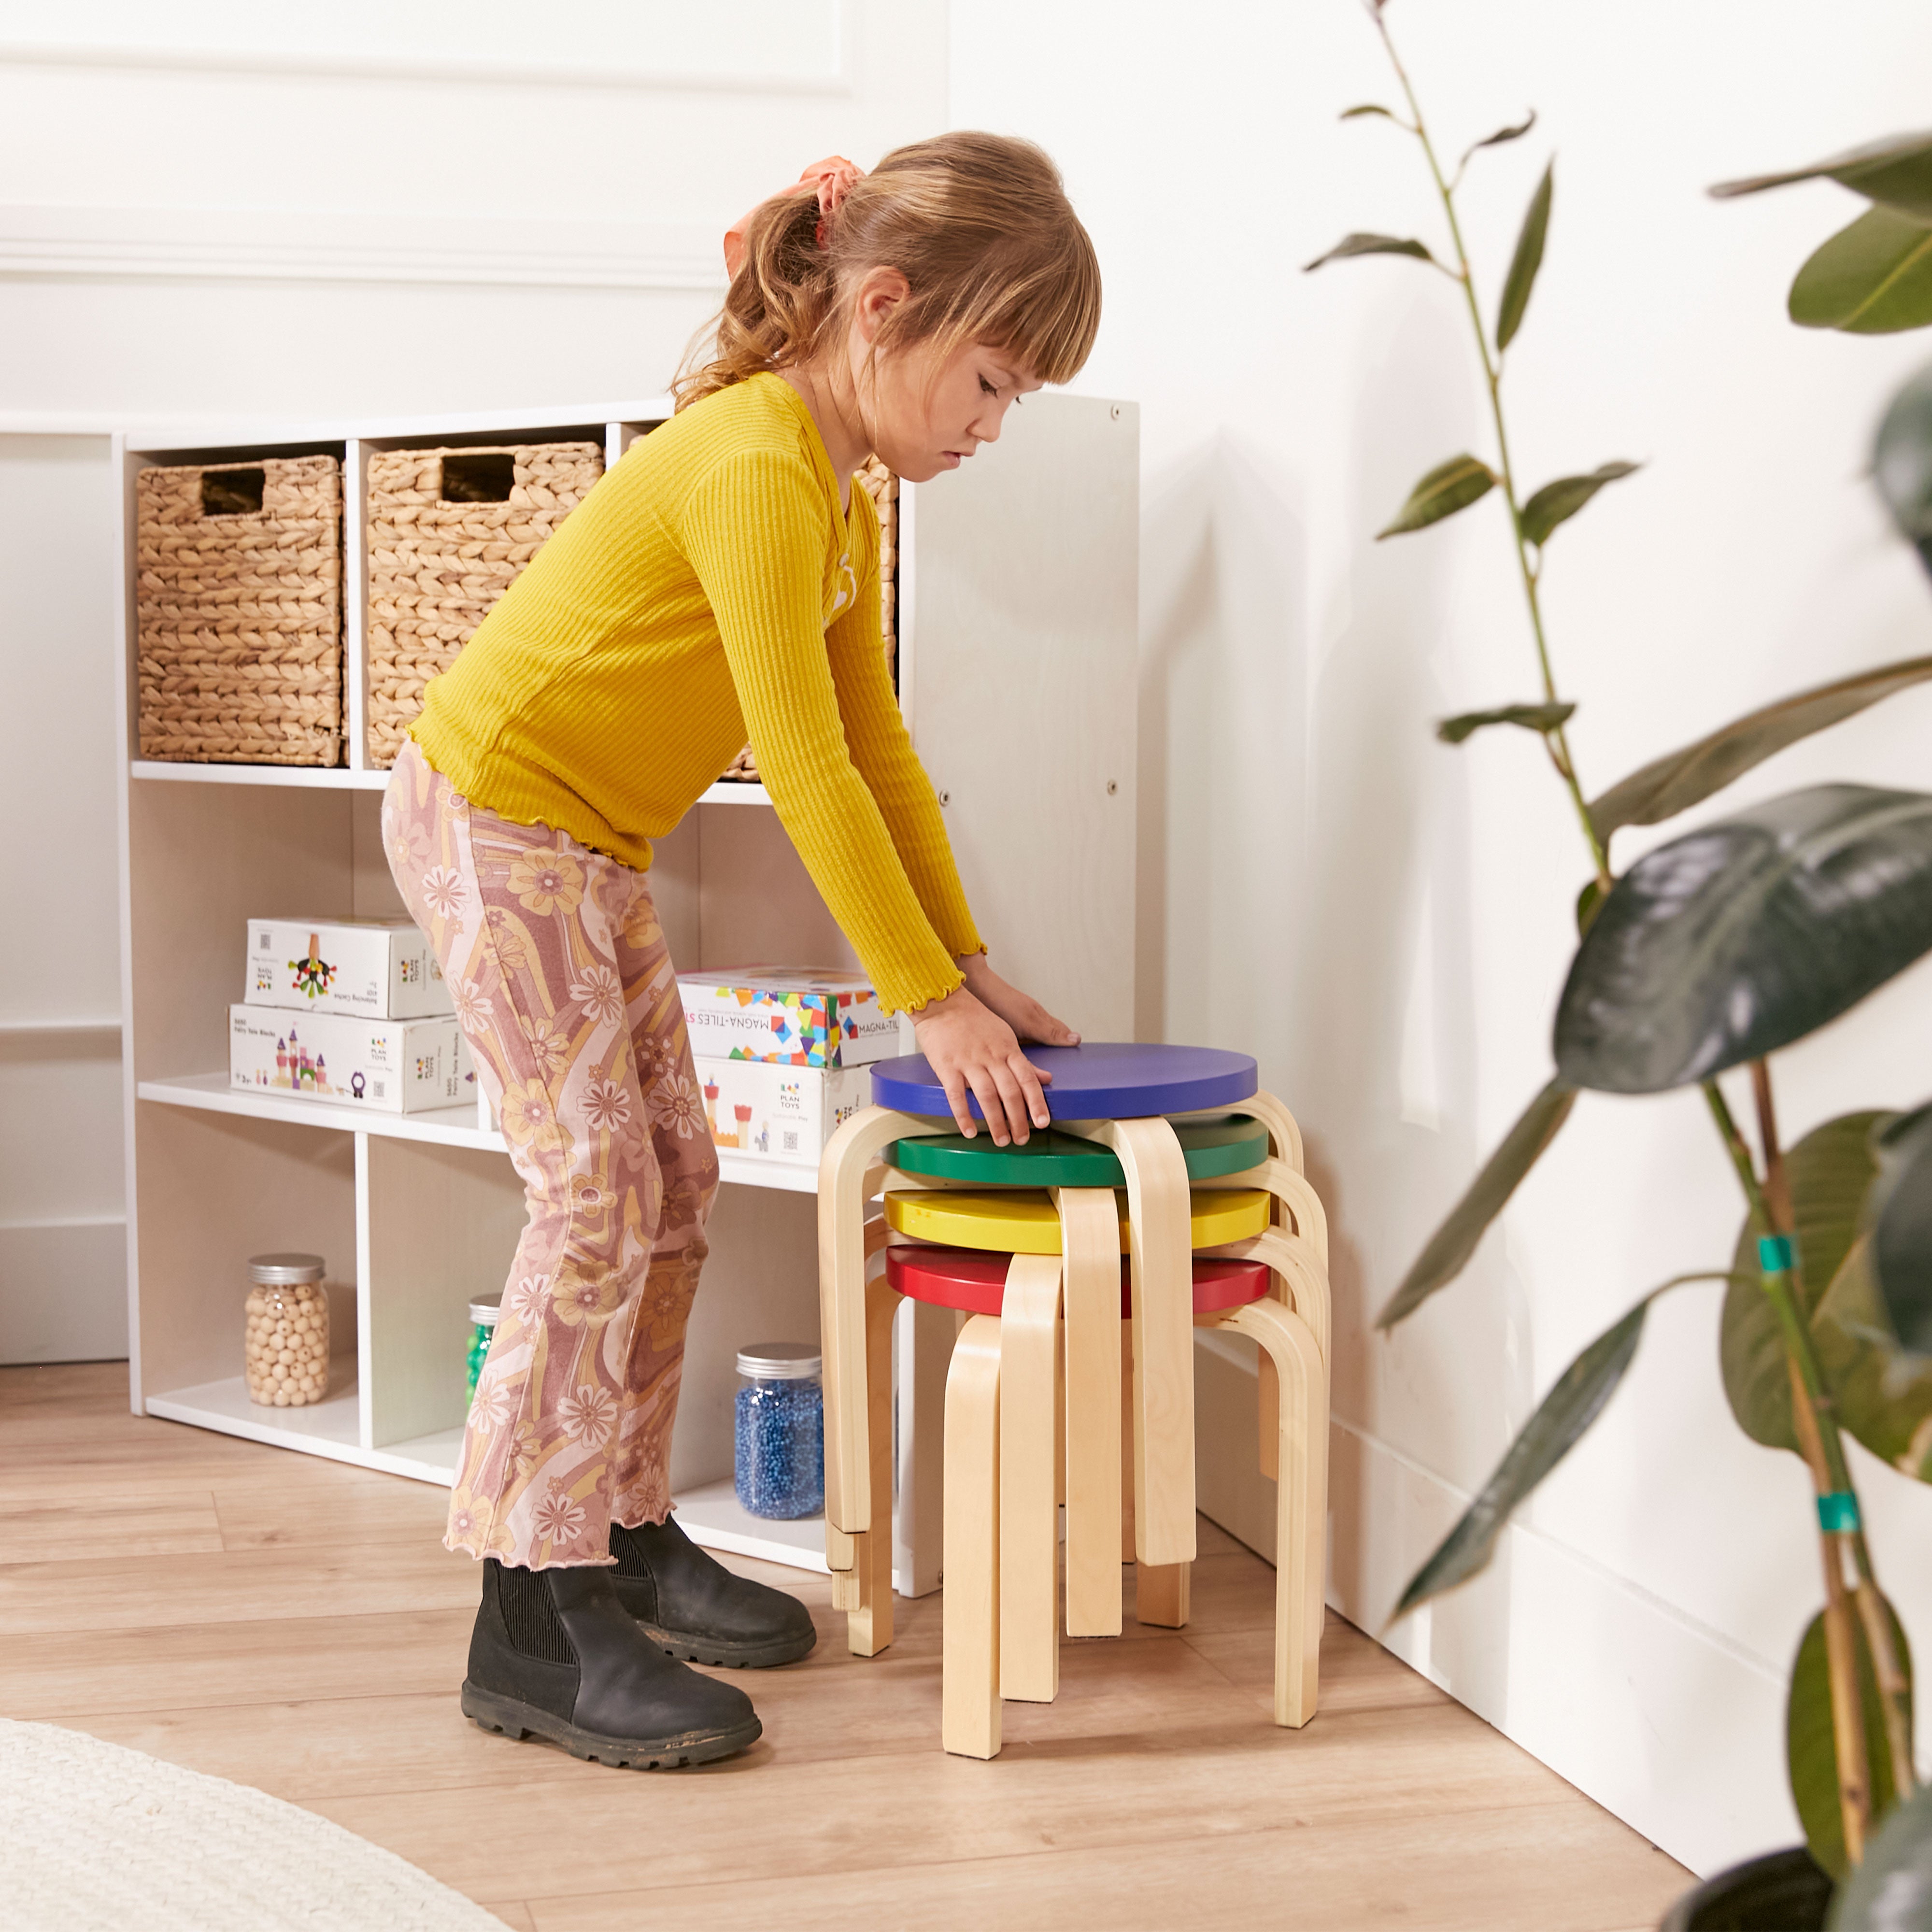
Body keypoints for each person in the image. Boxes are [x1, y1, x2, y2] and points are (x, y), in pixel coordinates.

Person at [381, 132, 1102, 1769]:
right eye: (989, 384)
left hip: (581, 838)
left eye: (1015, 402)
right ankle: (527, 1601)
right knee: (592, 1189)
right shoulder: (757, 462)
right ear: (887, 307)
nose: (993, 428)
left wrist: (967, 963)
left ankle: (619, 1530)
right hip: (495, 816)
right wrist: (920, 994)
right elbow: (800, 760)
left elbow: (881, 747)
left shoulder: (836, 488)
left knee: (675, 1179)